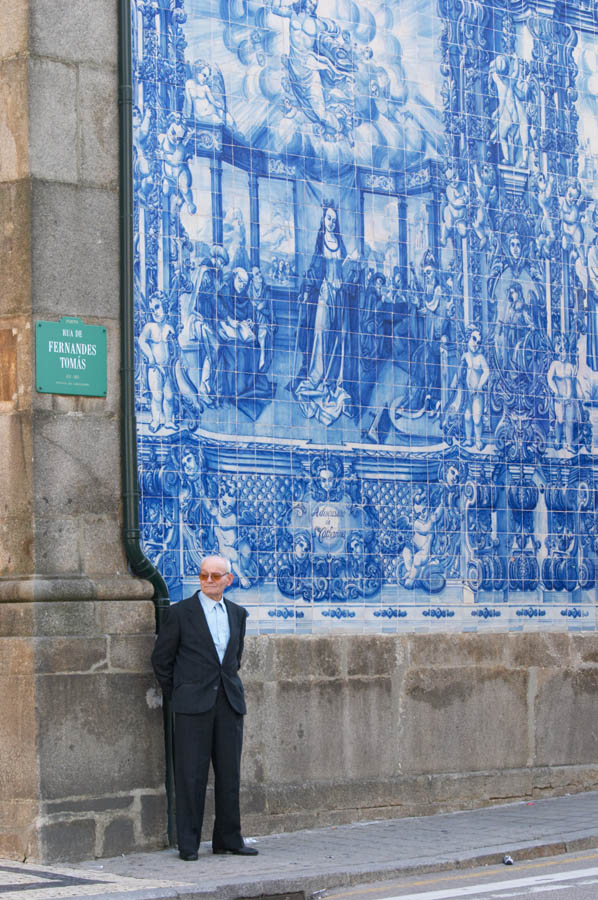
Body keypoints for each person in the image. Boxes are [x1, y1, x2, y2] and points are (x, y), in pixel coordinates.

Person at [151, 555, 258, 860]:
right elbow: (162, 660)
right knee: (191, 775)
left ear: (228, 579)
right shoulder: (180, 613)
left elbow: (234, 658)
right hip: (191, 706)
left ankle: (228, 839)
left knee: (229, 774)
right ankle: (188, 844)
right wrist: (179, 694)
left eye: (215, 576)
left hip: (228, 702)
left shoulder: (238, 614)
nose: (208, 581)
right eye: (203, 576)